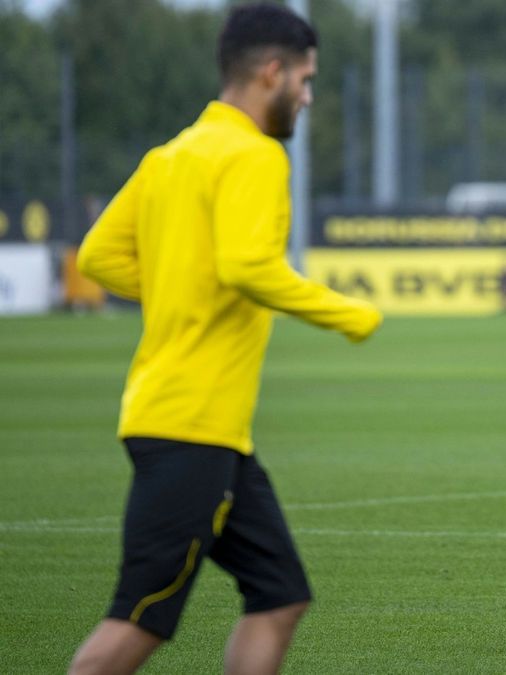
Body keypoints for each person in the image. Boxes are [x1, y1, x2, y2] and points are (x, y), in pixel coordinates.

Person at [69, 5, 382, 674]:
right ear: (272, 72)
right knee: (140, 619)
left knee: (279, 596)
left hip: (198, 429)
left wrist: (182, 288)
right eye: (304, 79)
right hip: (193, 425)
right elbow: (247, 266)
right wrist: (344, 312)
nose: (308, 95)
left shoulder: (171, 154)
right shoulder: (254, 154)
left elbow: (97, 255)